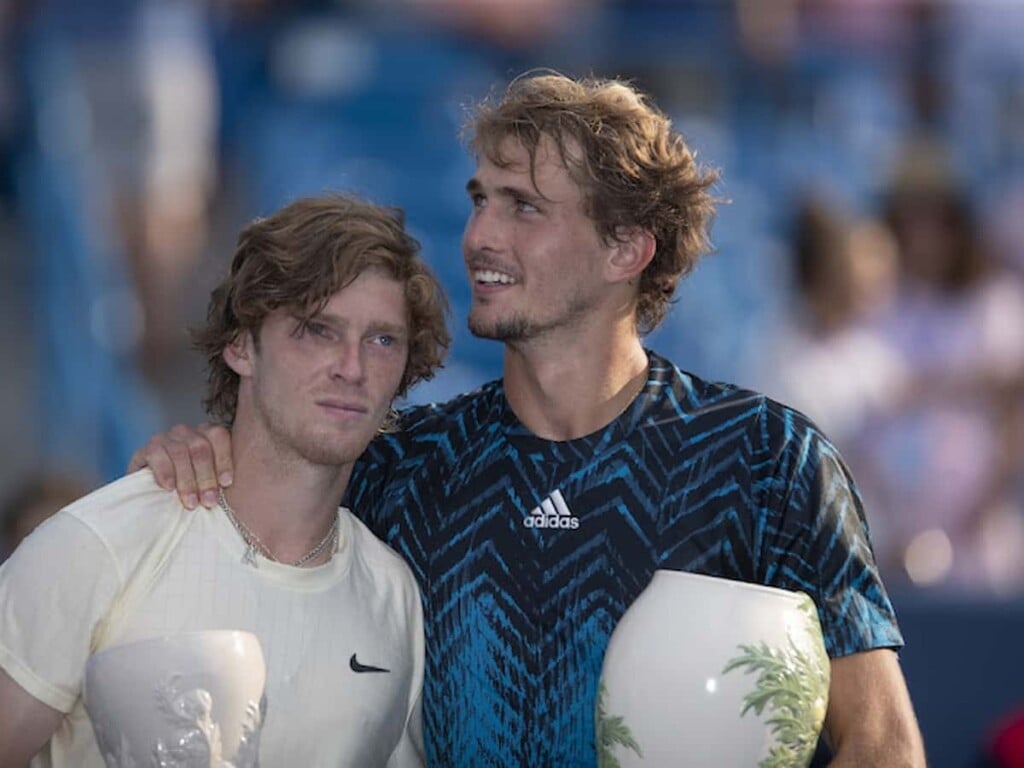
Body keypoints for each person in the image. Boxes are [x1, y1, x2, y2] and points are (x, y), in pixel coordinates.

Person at [130, 73, 926, 766]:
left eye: (524, 208)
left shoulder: (766, 459)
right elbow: (235, 545)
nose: (479, 236)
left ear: (626, 249)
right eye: (481, 201)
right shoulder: (400, 464)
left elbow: (885, 744)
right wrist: (193, 457)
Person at [0, 194, 451, 767]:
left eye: (382, 339)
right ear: (241, 346)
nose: (353, 367)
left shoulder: (396, 599)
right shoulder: (101, 546)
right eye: (317, 330)